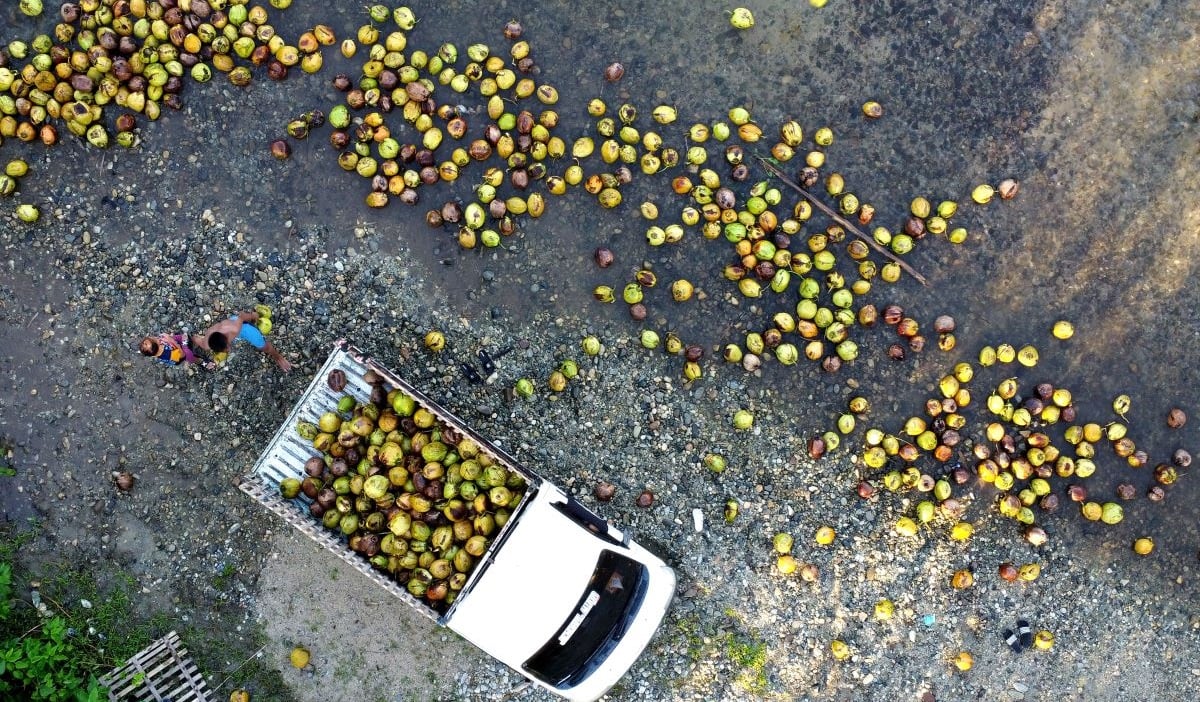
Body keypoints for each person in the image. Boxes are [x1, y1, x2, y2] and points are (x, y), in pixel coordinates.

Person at [194, 308, 293, 372]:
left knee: (264, 346)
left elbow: (242, 317)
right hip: (232, 324)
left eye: (227, 347)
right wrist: (187, 342)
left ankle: (278, 357)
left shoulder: (234, 329)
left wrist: (254, 317)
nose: (229, 350)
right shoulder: (206, 344)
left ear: (226, 339)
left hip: (242, 328)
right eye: (225, 350)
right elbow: (196, 339)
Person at [138, 331, 215, 370]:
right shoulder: (167, 354)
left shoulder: (157, 342)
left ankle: (199, 340)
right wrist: (172, 341)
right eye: (155, 339)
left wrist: (170, 337)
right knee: (189, 355)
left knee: (187, 338)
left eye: (153, 337)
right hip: (180, 354)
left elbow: (167, 339)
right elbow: (182, 354)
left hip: (173, 345)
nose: (158, 338)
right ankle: (201, 362)